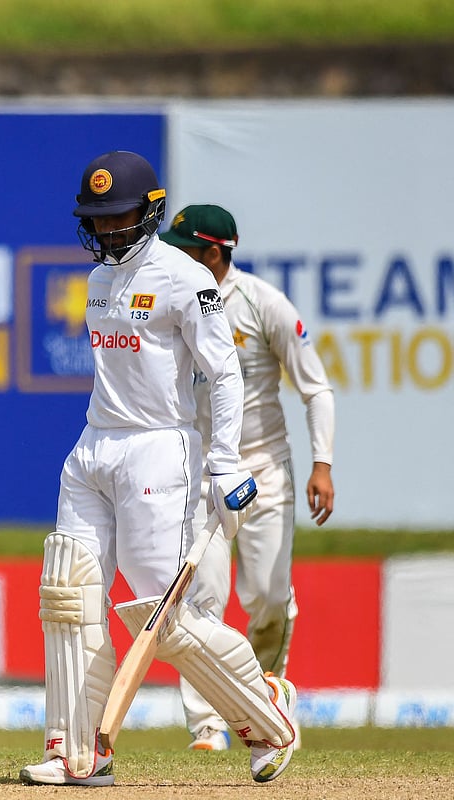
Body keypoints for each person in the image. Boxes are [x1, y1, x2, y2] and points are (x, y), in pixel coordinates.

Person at [18, 151, 297, 786]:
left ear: (149, 213)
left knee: (161, 617)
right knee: (69, 595)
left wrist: (223, 464)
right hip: (94, 445)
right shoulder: (97, 279)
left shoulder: (184, 278)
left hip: (158, 449)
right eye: (97, 218)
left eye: (118, 217)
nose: (107, 229)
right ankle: (78, 752)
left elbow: (224, 373)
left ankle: (266, 717)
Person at [160, 204, 335, 751]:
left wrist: (323, 464)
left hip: (263, 469)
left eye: (185, 249)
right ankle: (207, 725)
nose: (172, 256)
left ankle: (262, 701)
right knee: (200, 596)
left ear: (214, 253)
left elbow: (316, 389)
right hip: (199, 470)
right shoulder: (171, 297)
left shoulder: (264, 304)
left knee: (268, 597)